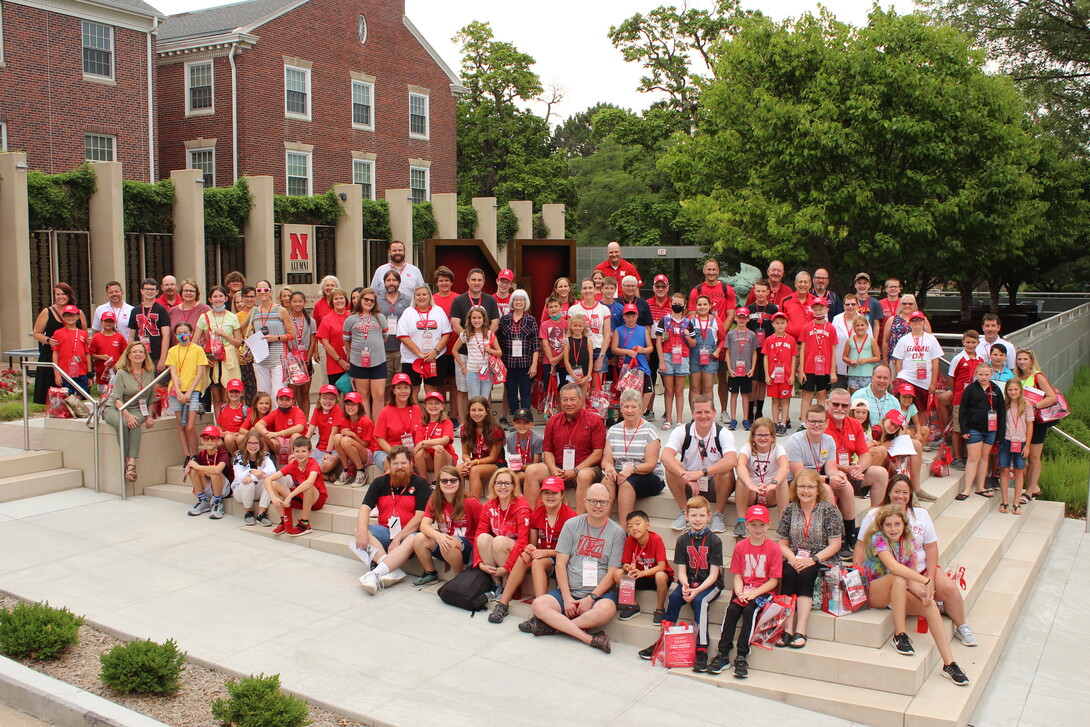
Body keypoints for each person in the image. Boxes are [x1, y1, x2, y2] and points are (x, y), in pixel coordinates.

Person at [855, 475, 978, 647]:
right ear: (888, 492)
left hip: (919, 568)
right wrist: (856, 573)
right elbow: (860, 547)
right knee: (917, 598)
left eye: (905, 492)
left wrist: (931, 578)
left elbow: (931, 547)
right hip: (892, 575)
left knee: (949, 588)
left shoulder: (921, 514)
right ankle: (930, 613)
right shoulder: (875, 515)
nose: (901, 496)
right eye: (896, 491)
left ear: (911, 494)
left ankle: (961, 626)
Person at [859, 505, 970, 686]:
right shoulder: (878, 538)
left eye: (897, 524)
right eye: (888, 525)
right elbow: (895, 568)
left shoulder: (908, 543)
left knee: (930, 605)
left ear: (904, 525)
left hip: (899, 592)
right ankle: (900, 634)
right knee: (898, 577)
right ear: (881, 526)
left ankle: (950, 664)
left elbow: (911, 581)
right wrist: (926, 581)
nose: (893, 529)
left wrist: (924, 594)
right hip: (875, 591)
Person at [525, 482, 623, 654]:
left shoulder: (617, 532)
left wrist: (591, 598)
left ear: (609, 504)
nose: (598, 506)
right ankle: (588, 638)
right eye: (593, 501)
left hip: (599, 595)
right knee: (538, 605)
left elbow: (612, 572)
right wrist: (567, 597)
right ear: (585, 502)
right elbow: (561, 563)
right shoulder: (571, 525)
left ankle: (553, 627)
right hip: (570, 590)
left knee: (606, 610)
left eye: (603, 502)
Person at [638, 495, 724, 671]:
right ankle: (663, 640)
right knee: (676, 597)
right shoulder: (682, 540)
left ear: (708, 516)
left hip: (709, 584)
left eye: (701, 515)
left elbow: (714, 575)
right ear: (686, 516)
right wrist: (685, 585)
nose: (697, 519)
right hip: (690, 582)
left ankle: (701, 649)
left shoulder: (715, 541)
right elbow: (682, 572)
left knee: (700, 601)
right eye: (693, 515)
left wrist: (697, 590)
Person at [488, 475, 575, 624]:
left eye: (554, 492)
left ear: (563, 495)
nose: (550, 496)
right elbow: (534, 544)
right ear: (541, 495)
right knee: (525, 555)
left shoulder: (571, 517)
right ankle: (503, 603)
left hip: (563, 560)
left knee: (538, 562)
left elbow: (571, 551)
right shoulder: (537, 514)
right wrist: (531, 547)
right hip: (545, 556)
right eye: (546, 492)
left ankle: (540, 613)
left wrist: (545, 552)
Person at [706, 504, 779, 677]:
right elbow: (737, 575)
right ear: (746, 525)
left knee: (750, 612)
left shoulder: (774, 548)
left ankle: (742, 656)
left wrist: (753, 594)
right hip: (743, 590)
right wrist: (739, 592)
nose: (757, 529)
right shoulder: (741, 547)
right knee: (732, 610)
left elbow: (773, 581)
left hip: (763, 592)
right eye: (753, 525)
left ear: (769, 525)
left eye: (762, 525)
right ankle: (723, 654)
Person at [776, 469, 843, 649]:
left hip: (821, 557)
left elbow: (835, 545)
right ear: (795, 488)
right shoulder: (789, 509)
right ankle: (787, 629)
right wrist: (793, 559)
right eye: (801, 486)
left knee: (805, 575)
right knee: (788, 573)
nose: (805, 491)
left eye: (810, 487)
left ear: (817, 489)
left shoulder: (828, 510)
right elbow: (782, 543)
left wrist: (812, 559)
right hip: (795, 557)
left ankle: (801, 629)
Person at [355, 445, 431, 593]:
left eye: (403, 463)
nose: (400, 467)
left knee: (414, 539)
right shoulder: (379, 483)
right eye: (395, 463)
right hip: (386, 532)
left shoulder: (420, 484)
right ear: (389, 465)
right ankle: (391, 569)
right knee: (359, 528)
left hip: (408, 534)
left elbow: (420, 517)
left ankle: (378, 571)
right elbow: (365, 509)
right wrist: (362, 532)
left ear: (411, 464)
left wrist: (398, 539)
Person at [786, 405, 855, 560]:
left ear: (826, 423)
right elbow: (800, 474)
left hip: (819, 478)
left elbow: (830, 468)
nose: (816, 425)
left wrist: (838, 476)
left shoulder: (828, 440)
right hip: (797, 483)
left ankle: (850, 536)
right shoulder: (795, 441)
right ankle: (831, 536)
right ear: (805, 422)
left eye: (820, 422)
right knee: (826, 488)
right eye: (812, 421)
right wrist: (829, 479)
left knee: (847, 487)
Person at [661, 395, 738, 534]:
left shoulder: (723, 433)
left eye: (707, 412)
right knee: (672, 466)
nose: (703, 416)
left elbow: (732, 460)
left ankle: (718, 514)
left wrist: (701, 473)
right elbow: (665, 456)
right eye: (699, 412)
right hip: (690, 485)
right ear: (692, 414)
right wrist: (687, 477)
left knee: (726, 470)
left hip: (715, 485)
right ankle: (684, 512)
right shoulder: (682, 431)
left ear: (714, 413)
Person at [522, 384, 606, 510]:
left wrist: (576, 470)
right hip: (559, 469)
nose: (568, 403)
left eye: (572, 399)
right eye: (565, 399)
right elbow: (548, 450)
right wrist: (553, 469)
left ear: (581, 399)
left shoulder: (594, 420)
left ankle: (579, 522)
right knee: (531, 471)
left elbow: (597, 453)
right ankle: (530, 518)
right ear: (560, 401)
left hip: (585, 468)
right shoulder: (553, 421)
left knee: (584, 475)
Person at [825, 387, 896, 506]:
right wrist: (844, 469)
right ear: (827, 403)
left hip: (848, 471)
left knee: (880, 473)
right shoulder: (820, 423)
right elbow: (819, 461)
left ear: (850, 407)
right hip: (827, 474)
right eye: (836, 404)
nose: (840, 409)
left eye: (845, 405)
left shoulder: (855, 424)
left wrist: (859, 469)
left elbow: (865, 454)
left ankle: (875, 518)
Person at [603, 389, 665, 523]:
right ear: (621, 408)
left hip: (647, 475)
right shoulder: (613, 430)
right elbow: (606, 460)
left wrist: (631, 470)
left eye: (633, 407)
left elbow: (650, 464)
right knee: (607, 480)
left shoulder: (649, 430)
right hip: (621, 473)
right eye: (626, 406)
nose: (630, 410)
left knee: (626, 483)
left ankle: (623, 531)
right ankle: (602, 526)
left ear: (640, 409)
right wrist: (609, 468)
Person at [412, 467, 483, 585]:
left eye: (453, 480)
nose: (449, 483)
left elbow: (484, 529)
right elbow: (424, 525)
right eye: (444, 481)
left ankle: (460, 577)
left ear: (460, 482)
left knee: (448, 543)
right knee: (419, 538)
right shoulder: (435, 500)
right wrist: (438, 536)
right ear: (438, 484)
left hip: (468, 547)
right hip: (445, 543)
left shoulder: (471, 502)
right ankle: (430, 573)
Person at [450, 269, 502, 421]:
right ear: (467, 280)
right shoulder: (459, 300)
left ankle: (486, 423)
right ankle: (464, 423)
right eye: (473, 280)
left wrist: (483, 337)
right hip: (464, 353)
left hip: (485, 355)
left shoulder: (490, 300)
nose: (476, 283)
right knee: (462, 390)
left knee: (485, 392)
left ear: (484, 282)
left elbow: (495, 322)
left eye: (479, 280)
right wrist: (471, 337)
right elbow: (455, 324)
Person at [101, 341, 157, 482]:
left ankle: (132, 460)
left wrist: (150, 416)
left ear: (145, 356)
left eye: (141, 352)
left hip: (138, 408)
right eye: (134, 352)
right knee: (124, 423)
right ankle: (129, 463)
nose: (138, 354)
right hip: (117, 407)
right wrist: (126, 414)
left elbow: (151, 398)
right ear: (129, 355)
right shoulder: (122, 373)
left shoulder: (150, 373)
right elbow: (116, 398)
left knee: (135, 423)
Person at [474, 468, 531, 595]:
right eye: (499, 483)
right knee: (483, 538)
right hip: (497, 552)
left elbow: (523, 542)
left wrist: (506, 568)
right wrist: (479, 563)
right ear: (493, 485)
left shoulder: (522, 506)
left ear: (513, 486)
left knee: (499, 541)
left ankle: (508, 585)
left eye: (507, 483)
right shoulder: (489, 506)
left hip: (516, 553)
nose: (503, 487)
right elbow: (478, 535)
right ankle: (496, 584)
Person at [1015, 349, 1058, 504]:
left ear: (1031, 361)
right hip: (1020, 422)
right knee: (1018, 455)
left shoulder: (1037, 376)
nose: (1022, 362)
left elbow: (1052, 397)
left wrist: (1034, 406)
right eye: (1019, 359)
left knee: (1033, 457)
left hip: (1036, 422)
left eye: (1025, 359)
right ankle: (1035, 487)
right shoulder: (1017, 377)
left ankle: (1030, 490)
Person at [614, 510, 673, 623]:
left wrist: (642, 573)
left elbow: (661, 566)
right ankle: (632, 605)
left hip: (657, 579)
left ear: (648, 525)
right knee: (618, 573)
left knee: (660, 575)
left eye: (637, 523)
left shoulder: (656, 539)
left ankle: (660, 609)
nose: (634, 528)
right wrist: (628, 567)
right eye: (630, 526)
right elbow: (625, 563)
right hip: (639, 576)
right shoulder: (630, 540)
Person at [957, 363, 1005, 500]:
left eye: (986, 375)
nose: (983, 377)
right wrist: (964, 429)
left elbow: (1001, 412)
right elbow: (963, 410)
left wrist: (1000, 433)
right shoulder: (971, 389)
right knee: (973, 457)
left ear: (992, 375)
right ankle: (966, 489)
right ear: (976, 374)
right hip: (974, 428)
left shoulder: (996, 389)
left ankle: (980, 487)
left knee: (985, 457)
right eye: (980, 374)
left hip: (991, 429)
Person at [734, 417, 789, 537]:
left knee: (783, 481)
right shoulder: (747, 448)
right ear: (753, 436)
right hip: (751, 492)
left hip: (769, 492)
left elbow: (785, 467)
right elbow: (740, 466)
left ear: (772, 437)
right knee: (741, 481)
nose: (762, 438)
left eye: (766, 435)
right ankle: (741, 522)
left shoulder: (778, 448)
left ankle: (783, 523)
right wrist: (751, 485)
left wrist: (773, 484)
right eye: (759, 435)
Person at [263, 435, 326, 536]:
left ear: (310, 452)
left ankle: (305, 523)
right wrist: (273, 497)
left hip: (316, 500)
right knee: (274, 484)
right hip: (300, 497)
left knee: (308, 486)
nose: (300, 454)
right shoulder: (293, 465)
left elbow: (309, 482)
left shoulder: (313, 464)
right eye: (297, 451)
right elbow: (268, 479)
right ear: (292, 452)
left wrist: (289, 496)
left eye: (303, 451)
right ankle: (284, 520)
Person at [397, 285, 452, 400]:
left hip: (435, 358)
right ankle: (415, 417)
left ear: (429, 296)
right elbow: (403, 336)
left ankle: (430, 417)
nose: (421, 297)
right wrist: (419, 353)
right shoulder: (408, 312)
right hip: (412, 359)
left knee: (432, 391)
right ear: (414, 297)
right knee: (412, 391)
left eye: (424, 294)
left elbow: (446, 333)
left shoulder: (438, 311)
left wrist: (435, 351)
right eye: (418, 295)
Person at [165, 321, 209, 464]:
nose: (183, 335)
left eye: (185, 332)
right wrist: (178, 391)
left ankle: (195, 454)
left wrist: (189, 392)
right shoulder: (172, 351)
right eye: (179, 333)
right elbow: (172, 371)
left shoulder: (197, 350)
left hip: (193, 391)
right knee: (181, 425)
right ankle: (187, 455)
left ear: (190, 333)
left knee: (190, 426)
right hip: (176, 391)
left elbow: (200, 373)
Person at [194, 285, 243, 414]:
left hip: (228, 360)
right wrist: (203, 358)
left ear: (226, 298)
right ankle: (219, 428)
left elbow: (239, 343)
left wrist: (225, 335)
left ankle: (230, 425)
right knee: (216, 398)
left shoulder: (232, 317)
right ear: (210, 299)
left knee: (229, 395)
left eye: (221, 296)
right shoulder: (204, 317)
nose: (218, 299)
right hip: (212, 361)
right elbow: (194, 343)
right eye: (215, 296)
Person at [342, 287, 388, 419]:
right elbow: (346, 340)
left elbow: (385, 337)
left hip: (378, 361)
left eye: (372, 301)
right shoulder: (351, 319)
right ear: (360, 300)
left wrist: (374, 348)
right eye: (366, 299)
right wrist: (353, 353)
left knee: (379, 395)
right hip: (358, 362)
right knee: (363, 396)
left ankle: (378, 430)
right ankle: (367, 427)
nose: (368, 302)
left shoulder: (380, 317)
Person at [655, 292, 696, 431]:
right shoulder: (664, 320)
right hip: (667, 356)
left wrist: (688, 337)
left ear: (684, 305)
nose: (677, 306)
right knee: (668, 390)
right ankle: (668, 419)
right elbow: (659, 341)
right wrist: (661, 361)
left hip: (682, 357)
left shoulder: (688, 322)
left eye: (680, 304)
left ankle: (679, 420)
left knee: (679, 390)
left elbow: (694, 342)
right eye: (675, 303)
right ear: (671, 303)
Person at [942, 331, 983, 469]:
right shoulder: (958, 358)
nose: (970, 345)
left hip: (975, 401)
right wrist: (954, 391)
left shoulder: (981, 359)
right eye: (968, 342)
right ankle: (957, 456)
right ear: (963, 342)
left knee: (970, 428)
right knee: (958, 428)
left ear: (978, 343)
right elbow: (951, 377)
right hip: (960, 399)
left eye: (973, 342)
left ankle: (966, 456)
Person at [245, 280, 294, 396]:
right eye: (259, 290)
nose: (262, 292)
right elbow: (239, 327)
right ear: (256, 293)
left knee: (278, 395)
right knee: (263, 397)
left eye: (265, 290)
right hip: (260, 359)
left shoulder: (280, 310)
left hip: (278, 359)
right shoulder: (254, 311)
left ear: (271, 292)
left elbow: (292, 335)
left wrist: (275, 337)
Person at [498, 289, 540, 413]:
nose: (518, 302)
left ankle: (525, 418)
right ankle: (516, 418)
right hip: (508, 364)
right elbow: (498, 342)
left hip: (525, 364)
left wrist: (534, 364)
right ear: (512, 302)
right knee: (511, 393)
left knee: (525, 392)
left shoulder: (531, 320)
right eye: (516, 299)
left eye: (521, 300)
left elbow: (536, 344)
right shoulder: (504, 320)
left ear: (525, 302)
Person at [611, 302, 654, 415]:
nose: (630, 319)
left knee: (648, 391)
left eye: (633, 316)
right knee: (628, 393)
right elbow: (614, 349)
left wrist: (642, 350)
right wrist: (628, 352)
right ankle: (627, 415)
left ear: (637, 316)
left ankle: (639, 414)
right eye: (628, 316)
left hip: (642, 365)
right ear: (623, 316)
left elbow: (650, 347)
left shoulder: (643, 330)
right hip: (627, 366)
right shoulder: (618, 330)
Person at [373, 373, 422, 471]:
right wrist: (396, 455)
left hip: (409, 451)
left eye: (406, 387)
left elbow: (420, 433)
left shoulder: (416, 409)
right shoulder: (385, 411)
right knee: (395, 465)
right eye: (399, 388)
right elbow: (380, 440)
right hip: (386, 451)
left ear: (410, 390)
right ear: (393, 390)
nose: (403, 391)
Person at [745, 279, 779, 424]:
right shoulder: (749, 309)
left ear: (768, 292)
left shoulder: (773, 309)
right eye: (758, 290)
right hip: (751, 350)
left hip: (767, 350)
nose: (760, 294)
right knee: (752, 381)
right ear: (754, 291)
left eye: (763, 291)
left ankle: (759, 410)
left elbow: (777, 327)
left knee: (762, 381)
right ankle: (750, 410)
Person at [460, 395, 506, 497]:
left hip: (496, 465)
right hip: (474, 463)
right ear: (469, 412)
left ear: (487, 411)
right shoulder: (465, 428)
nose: (476, 413)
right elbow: (465, 453)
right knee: (458, 469)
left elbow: (493, 457)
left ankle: (474, 505)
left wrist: (474, 463)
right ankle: (458, 505)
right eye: (473, 410)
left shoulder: (496, 429)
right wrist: (467, 460)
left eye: (480, 410)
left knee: (475, 471)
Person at [184, 425, 232, 519]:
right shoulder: (202, 454)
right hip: (210, 486)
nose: (209, 441)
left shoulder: (223, 453)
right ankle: (203, 500)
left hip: (224, 488)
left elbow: (218, 469)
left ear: (218, 440)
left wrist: (199, 467)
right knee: (193, 470)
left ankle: (217, 502)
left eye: (213, 438)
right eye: (206, 438)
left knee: (214, 472)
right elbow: (193, 469)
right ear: (202, 440)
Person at [454, 306, 501, 401]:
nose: (476, 320)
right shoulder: (466, 334)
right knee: (474, 400)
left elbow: (499, 353)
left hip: (487, 372)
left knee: (484, 399)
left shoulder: (490, 334)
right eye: (474, 318)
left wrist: (490, 350)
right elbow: (454, 350)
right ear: (470, 319)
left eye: (479, 318)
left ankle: (484, 416)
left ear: (484, 319)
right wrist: (463, 366)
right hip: (472, 372)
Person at [230, 432, 276, 527]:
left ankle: (261, 514)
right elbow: (239, 477)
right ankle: (249, 512)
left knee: (269, 481)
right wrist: (251, 471)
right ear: (245, 443)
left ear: (260, 444)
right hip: (241, 492)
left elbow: (272, 470)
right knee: (248, 483)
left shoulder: (265, 455)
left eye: (256, 443)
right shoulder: (238, 456)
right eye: (250, 443)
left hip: (257, 490)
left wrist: (252, 477)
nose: (252, 446)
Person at [376, 271, 412, 388]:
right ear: (384, 283)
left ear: (399, 282)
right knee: (385, 384)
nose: (391, 283)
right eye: (388, 280)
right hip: (383, 349)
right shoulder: (377, 301)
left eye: (394, 280)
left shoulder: (408, 300)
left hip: (402, 349)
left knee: (402, 383)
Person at [762, 312, 796, 435]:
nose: (780, 325)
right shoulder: (769, 340)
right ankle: (775, 423)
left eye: (782, 323)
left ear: (787, 324)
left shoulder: (791, 340)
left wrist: (792, 375)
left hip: (786, 375)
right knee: (775, 400)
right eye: (777, 323)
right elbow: (765, 357)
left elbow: (793, 358)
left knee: (785, 400)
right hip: (773, 376)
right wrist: (766, 375)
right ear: (772, 324)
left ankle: (783, 423)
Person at [432, 266, 460, 412]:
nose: (444, 283)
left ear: (451, 282)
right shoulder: (431, 300)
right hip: (438, 349)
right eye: (441, 280)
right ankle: (442, 414)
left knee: (455, 384)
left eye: (447, 281)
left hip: (455, 347)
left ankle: (454, 416)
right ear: (436, 282)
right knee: (440, 383)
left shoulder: (458, 298)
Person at [724, 307, 757, 430]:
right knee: (733, 394)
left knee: (745, 395)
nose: (741, 320)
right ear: (735, 318)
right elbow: (727, 352)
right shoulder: (731, 334)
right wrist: (729, 368)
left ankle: (745, 419)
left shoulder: (752, 334)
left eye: (744, 318)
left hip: (747, 370)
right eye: (739, 317)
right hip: (733, 370)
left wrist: (752, 368)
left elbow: (754, 353)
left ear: (748, 319)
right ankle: (733, 419)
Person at [413, 391, 456, 483]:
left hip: (446, 458)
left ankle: (436, 482)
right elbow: (418, 444)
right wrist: (431, 445)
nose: (433, 406)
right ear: (425, 406)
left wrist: (424, 442)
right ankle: (424, 482)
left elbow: (445, 440)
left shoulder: (447, 422)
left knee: (439, 449)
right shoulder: (421, 424)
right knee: (419, 452)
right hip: (429, 459)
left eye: (437, 403)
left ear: (442, 406)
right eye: (430, 403)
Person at [333, 392, 375, 486]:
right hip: (352, 450)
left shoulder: (366, 421)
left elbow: (365, 444)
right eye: (348, 404)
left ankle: (361, 471)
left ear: (359, 406)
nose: (350, 407)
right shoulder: (344, 420)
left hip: (368, 453)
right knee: (337, 437)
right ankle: (346, 469)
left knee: (346, 440)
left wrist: (353, 435)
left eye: (353, 404)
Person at [688, 295, 724, 407]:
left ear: (710, 306)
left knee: (708, 387)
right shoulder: (690, 321)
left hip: (710, 357)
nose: (702, 307)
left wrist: (718, 351)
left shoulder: (716, 321)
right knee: (695, 387)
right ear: (695, 306)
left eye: (705, 304)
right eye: (699, 304)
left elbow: (723, 339)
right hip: (694, 357)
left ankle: (707, 412)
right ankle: (695, 413)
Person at [285, 291, 317, 415]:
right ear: (290, 303)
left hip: (305, 361)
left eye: (300, 301)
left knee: (305, 394)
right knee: (293, 393)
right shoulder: (286, 319)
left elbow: (313, 342)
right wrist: (291, 359)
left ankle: (305, 421)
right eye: (294, 301)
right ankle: (293, 420)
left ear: (304, 302)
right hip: (292, 361)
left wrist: (307, 361)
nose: (297, 304)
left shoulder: (310, 321)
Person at [574, 278, 612, 379]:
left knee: (597, 389)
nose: (587, 291)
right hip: (580, 348)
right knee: (582, 385)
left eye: (590, 288)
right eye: (584, 288)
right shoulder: (573, 309)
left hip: (598, 349)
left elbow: (607, 334)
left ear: (595, 289)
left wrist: (601, 356)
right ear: (581, 290)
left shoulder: (604, 309)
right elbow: (570, 333)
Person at [306, 384, 344, 481]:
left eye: (331, 399)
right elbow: (310, 431)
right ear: (319, 399)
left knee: (326, 465)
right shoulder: (317, 410)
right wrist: (302, 448)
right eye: (324, 398)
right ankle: (325, 477)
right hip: (319, 448)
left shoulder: (337, 409)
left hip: (334, 449)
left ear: (336, 400)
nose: (327, 401)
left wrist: (328, 452)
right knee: (296, 460)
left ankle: (310, 474)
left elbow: (334, 432)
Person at [132, 278, 170, 373]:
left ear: (157, 292)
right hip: (139, 354)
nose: (149, 291)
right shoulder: (135, 311)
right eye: (147, 289)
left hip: (156, 354)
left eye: (152, 289)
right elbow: (131, 335)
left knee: (157, 385)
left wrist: (163, 358)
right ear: (141, 291)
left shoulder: (161, 310)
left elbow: (166, 335)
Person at [316, 286, 351, 389]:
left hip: (352, 363)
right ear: (331, 302)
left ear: (346, 300)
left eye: (341, 298)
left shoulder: (352, 317)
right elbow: (325, 344)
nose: (339, 301)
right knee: (336, 395)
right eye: (336, 299)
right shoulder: (327, 319)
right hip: (335, 364)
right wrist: (340, 360)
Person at [881, 295, 932, 362]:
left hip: (917, 360)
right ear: (900, 305)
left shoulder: (922, 319)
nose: (907, 306)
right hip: (895, 360)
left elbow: (930, 340)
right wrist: (885, 359)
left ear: (915, 305)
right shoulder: (892, 320)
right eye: (904, 303)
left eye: (910, 304)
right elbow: (885, 341)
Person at [842, 309, 880, 394]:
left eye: (862, 325)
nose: (860, 328)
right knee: (855, 398)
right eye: (857, 326)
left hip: (868, 374)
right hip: (853, 373)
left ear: (867, 326)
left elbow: (877, 357)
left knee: (867, 397)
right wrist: (850, 361)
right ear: (854, 328)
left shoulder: (871, 340)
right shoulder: (850, 340)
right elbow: (844, 357)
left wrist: (865, 360)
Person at [166, 279, 211, 347]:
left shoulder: (205, 310)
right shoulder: (173, 311)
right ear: (181, 292)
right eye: (186, 290)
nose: (188, 293)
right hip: (176, 353)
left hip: (197, 353)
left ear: (196, 293)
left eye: (191, 291)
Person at [851, 364, 898, 428]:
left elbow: (900, 426)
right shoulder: (858, 396)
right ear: (872, 378)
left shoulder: (894, 402)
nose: (882, 381)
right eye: (879, 377)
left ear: (890, 380)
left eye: (885, 378)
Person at [505, 408, 542, 488]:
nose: (522, 425)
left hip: (532, 471)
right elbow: (513, 458)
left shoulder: (537, 439)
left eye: (526, 423)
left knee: (516, 478)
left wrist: (522, 467)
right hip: (517, 470)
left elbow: (536, 465)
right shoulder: (510, 438)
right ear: (513, 424)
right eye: (518, 423)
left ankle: (518, 499)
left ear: (532, 424)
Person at [88, 311, 127, 388]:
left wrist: (119, 364)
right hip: (102, 372)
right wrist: (101, 357)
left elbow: (125, 353)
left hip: (116, 371)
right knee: (103, 395)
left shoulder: (119, 337)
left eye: (111, 321)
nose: (108, 324)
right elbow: (91, 354)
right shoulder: (96, 337)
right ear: (101, 322)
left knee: (116, 393)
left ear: (114, 323)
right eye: (106, 321)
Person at [561, 313, 592, 398]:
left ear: (583, 327)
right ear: (570, 326)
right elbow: (566, 360)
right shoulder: (567, 340)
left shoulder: (588, 340)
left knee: (582, 400)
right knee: (572, 398)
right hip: (572, 375)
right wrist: (573, 376)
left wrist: (588, 375)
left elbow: (591, 360)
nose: (577, 328)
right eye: (575, 326)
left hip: (585, 375)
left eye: (580, 326)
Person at [780, 271, 817, 343]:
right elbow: (779, 323)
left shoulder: (816, 302)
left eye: (805, 282)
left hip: (810, 343)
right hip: (789, 343)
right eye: (800, 282)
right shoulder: (785, 301)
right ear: (795, 284)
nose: (803, 284)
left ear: (810, 284)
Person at [217, 378, 251, 455]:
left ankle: (240, 457)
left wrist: (233, 433)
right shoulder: (223, 407)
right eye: (231, 391)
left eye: (237, 391)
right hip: (226, 437)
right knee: (220, 441)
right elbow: (219, 425)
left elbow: (248, 430)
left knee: (235, 438)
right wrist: (220, 432)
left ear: (242, 393)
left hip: (239, 436)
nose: (234, 394)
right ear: (227, 393)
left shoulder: (246, 410)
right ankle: (234, 457)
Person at [852, 272, 885, 338]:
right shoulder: (850, 301)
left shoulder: (875, 303)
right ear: (855, 285)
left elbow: (876, 324)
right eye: (859, 283)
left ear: (869, 285)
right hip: (853, 337)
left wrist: (874, 342)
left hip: (869, 339)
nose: (862, 286)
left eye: (865, 283)